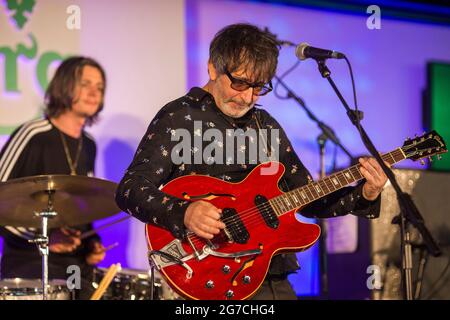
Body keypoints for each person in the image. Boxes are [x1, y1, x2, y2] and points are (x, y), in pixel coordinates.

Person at [115, 23, 388, 300]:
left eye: (258, 88)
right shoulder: (178, 118)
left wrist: (365, 193)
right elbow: (130, 189)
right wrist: (183, 212)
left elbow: (309, 198)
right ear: (213, 69)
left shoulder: (266, 126)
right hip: (204, 271)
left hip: (268, 277)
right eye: (240, 83)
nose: (247, 97)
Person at [0, 56, 107, 299]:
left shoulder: (89, 144)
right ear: (64, 85)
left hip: (75, 265)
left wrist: (92, 243)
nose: (94, 92)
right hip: (29, 264)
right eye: (85, 84)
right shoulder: (34, 134)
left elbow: (83, 209)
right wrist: (45, 238)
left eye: (99, 87)